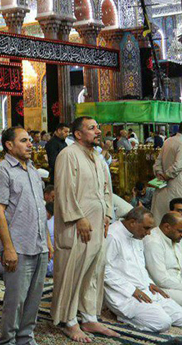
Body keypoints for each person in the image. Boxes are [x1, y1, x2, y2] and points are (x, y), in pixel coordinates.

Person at [51, 116, 118, 342]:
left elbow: (107, 188)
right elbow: (64, 191)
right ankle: (68, 320)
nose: (98, 131)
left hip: (98, 223)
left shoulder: (98, 158)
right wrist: (78, 217)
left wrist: (108, 213)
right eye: (92, 128)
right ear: (78, 134)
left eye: (98, 127)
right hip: (77, 226)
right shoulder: (68, 155)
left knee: (94, 269)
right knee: (73, 270)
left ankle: (89, 316)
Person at [0, 127, 52, 345]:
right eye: (24, 140)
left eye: (30, 140)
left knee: (34, 299)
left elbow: (39, 208)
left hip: (39, 244)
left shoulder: (32, 170)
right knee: (15, 300)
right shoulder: (1, 170)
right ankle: (7, 341)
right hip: (18, 246)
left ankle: (26, 338)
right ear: (9, 145)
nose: (30, 144)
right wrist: (7, 247)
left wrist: (48, 241)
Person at [104, 207, 182, 332]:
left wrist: (149, 282)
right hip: (124, 294)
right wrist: (132, 289)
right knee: (163, 323)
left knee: (180, 317)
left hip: (145, 289)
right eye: (147, 228)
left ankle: (151, 311)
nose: (149, 233)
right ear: (132, 222)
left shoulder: (137, 235)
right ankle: (122, 317)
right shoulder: (113, 236)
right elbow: (104, 270)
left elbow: (139, 266)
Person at [144, 212, 182, 306]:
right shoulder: (153, 242)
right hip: (162, 289)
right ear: (167, 227)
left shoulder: (175, 238)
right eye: (180, 231)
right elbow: (161, 280)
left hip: (178, 284)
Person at [153, 130, 182, 221]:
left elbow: (157, 163)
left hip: (163, 185)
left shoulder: (168, 141)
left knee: (162, 217)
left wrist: (160, 174)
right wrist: (166, 175)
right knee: (176, 218)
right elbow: (178, 166)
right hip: (176, 184)